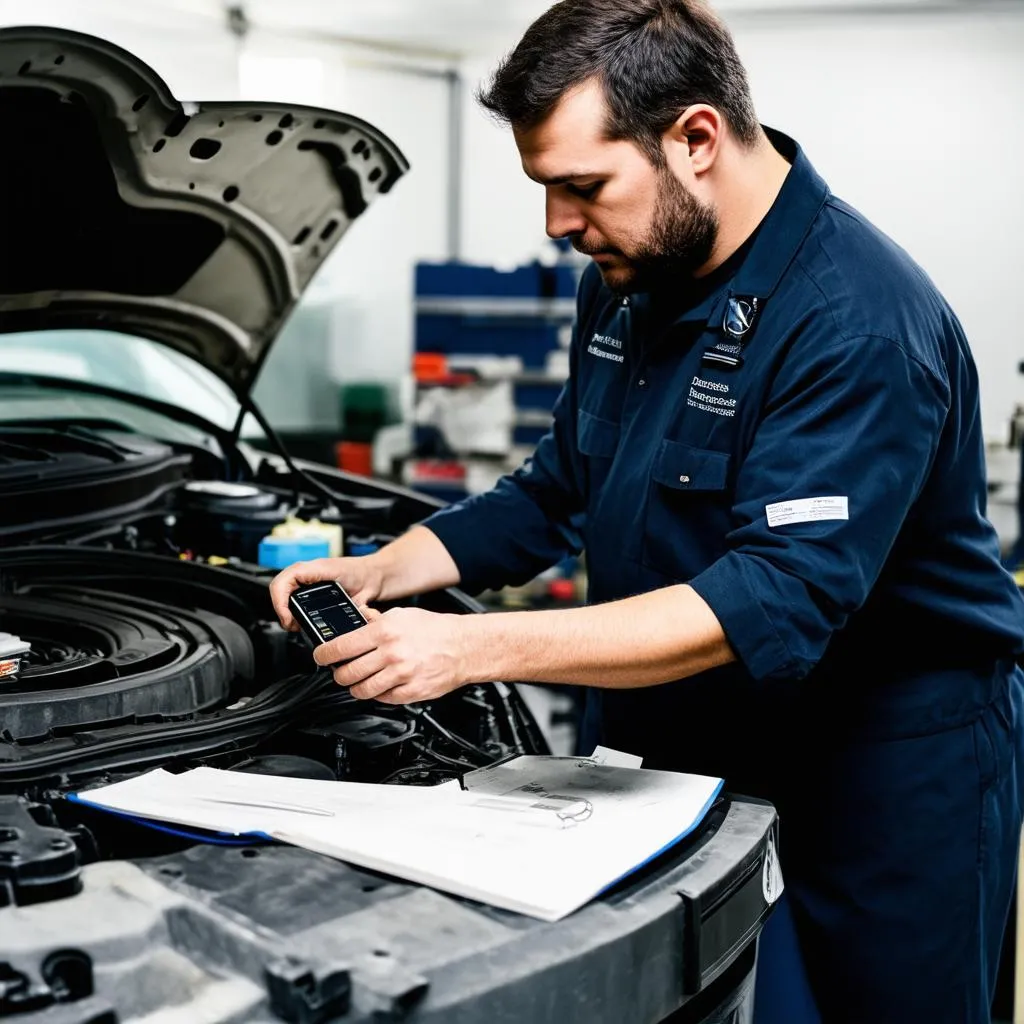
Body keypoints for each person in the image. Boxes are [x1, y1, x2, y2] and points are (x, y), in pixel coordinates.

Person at [270, 1, 1024, 1020]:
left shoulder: (856, 319)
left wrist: (468, 649)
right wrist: (382, 571)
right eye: (545, 190)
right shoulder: (631, 281)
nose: (558, 227)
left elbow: (772, 594)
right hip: (696, 738)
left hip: (885, 770)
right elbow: (556, 489)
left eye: (582, 187)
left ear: (695, 138)